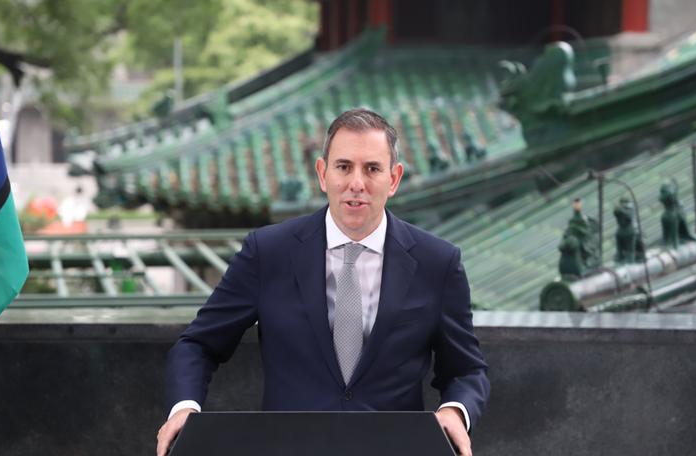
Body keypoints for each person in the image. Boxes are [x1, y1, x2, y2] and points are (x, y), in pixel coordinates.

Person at [157, 108, 489, 456]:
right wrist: (184, 408)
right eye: (344, 167)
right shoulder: (268, 251)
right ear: (322, 173)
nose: (356, 183)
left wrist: (455, 410)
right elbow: (198, 344)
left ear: (394, 179)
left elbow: (466, 369)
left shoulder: (437, 261)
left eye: (372, 169)